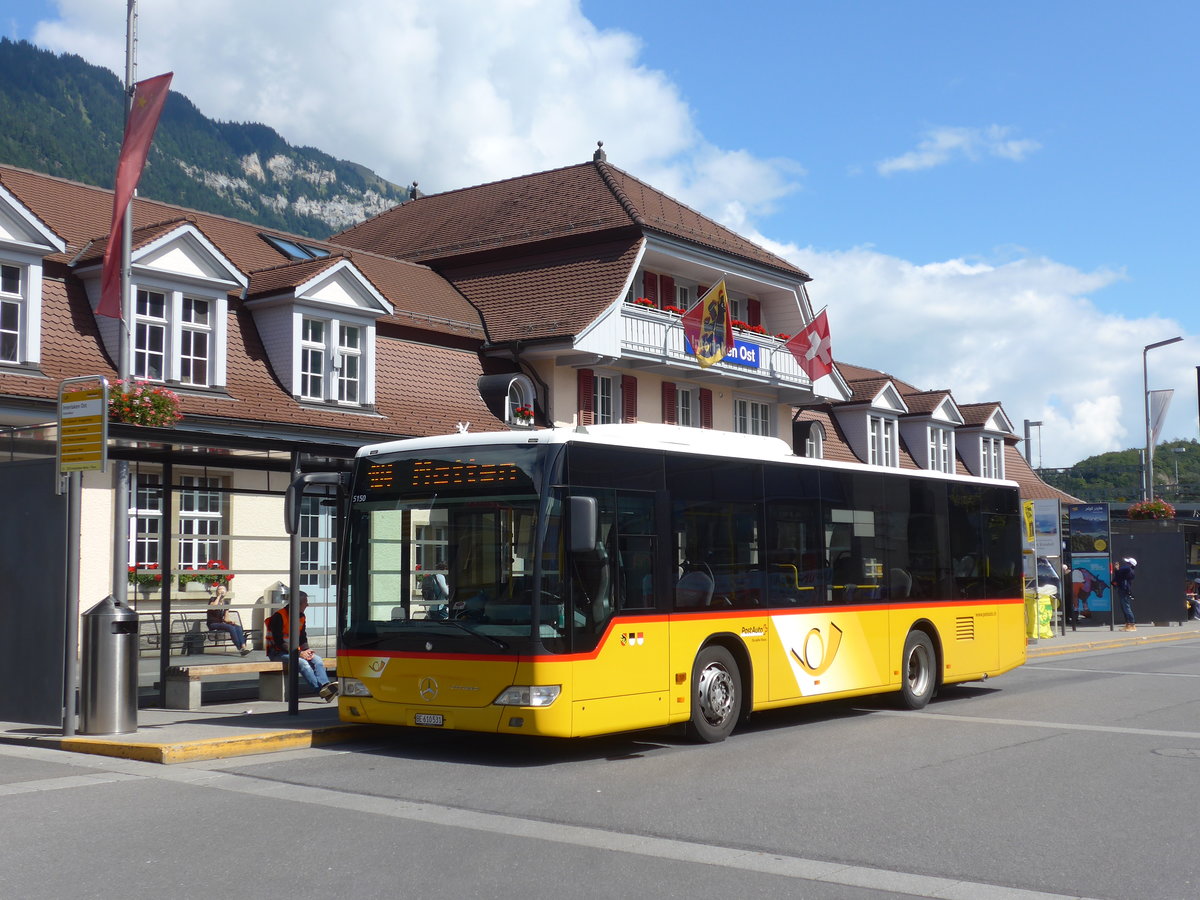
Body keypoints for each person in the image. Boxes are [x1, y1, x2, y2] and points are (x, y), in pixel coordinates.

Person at [265, 591, 337, 701]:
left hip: (294, 652)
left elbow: (302, 637)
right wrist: (299, 653)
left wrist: (307, 649)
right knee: (303, 663)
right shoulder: (279, 616)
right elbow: (279, 642)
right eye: (305, 602)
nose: (307, 605)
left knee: (317, 660)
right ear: (298, 604)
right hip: (277, 652)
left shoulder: (301, 616)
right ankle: (322, 691)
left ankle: (326, 686)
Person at [207, 582, 250, 655]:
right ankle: (239, 648)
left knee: (237, 627)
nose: (221, 590)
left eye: (223, 589)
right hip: (213, 624)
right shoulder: (212, 599)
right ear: (217, 591)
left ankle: (243, 646)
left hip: (221, 623)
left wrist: (230, 621)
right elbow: (213, 607)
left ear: (226, 592)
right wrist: (219, 596)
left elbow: (226, 618)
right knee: (231, 628)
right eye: (219, 589)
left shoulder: (226, 603)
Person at [1112, 557, 1137, 632]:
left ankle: (1132, 624)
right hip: (1124, 590)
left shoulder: (1128, 569)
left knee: (1126, 607)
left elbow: (1117, 572)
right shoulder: (1130, 571)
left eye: (1127, 562)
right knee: (1124, 607)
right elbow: (1119, 574)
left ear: (1130, 564)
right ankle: (1128, 625)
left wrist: (1116, 567)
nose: (1126, 563)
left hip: (1123, 590)